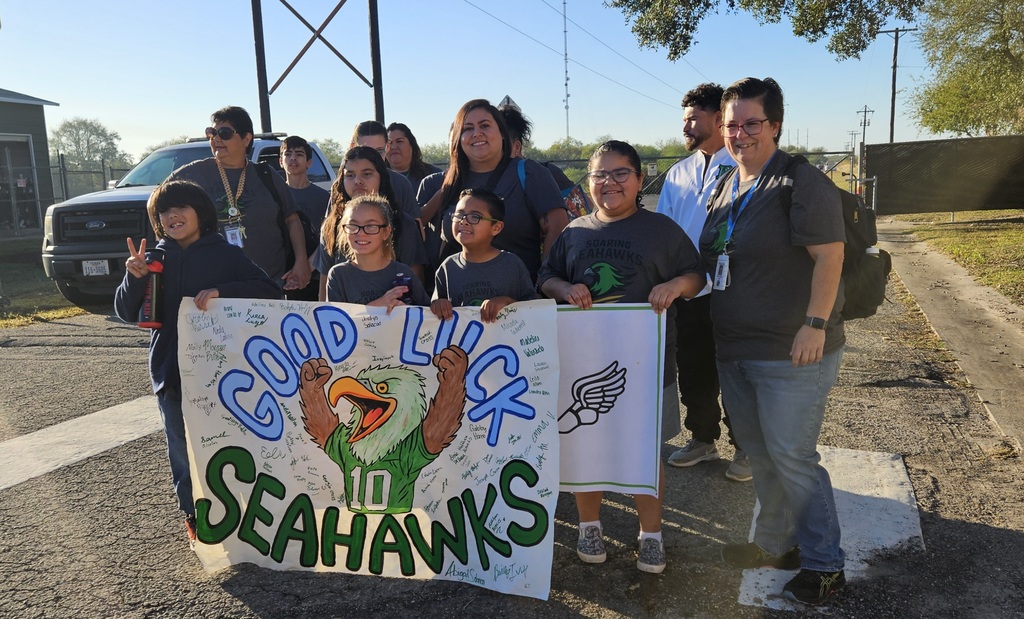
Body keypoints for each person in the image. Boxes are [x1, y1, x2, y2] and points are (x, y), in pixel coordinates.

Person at [701, 77, 846, 605]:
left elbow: (830, 257)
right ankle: (776, 545)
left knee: (793, 458)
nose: (740, 134)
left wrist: (815, 323)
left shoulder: (800, 181)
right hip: (735, 348)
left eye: (751, 123)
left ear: (776, 125)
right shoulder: (724, 184)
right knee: (761, 455)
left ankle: (826, 565)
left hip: (790, 351)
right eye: (732, 124)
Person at [538, 140, 705, 574]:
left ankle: (651, 533)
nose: (608, 183)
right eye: (599, 175)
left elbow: (696, 274)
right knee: (585, 445)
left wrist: (675, 287)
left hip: (648, 366)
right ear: (588, 181)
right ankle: (588, 525)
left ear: (638, 178)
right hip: (584, 363)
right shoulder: (574, 231)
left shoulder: (661, 230)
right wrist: (563, 289)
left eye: (619, 174)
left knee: (645, 451)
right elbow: (546, 277)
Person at [113, 180, 280, 542]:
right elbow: (126, 312)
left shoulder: (225, 254)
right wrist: (132, 277)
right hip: (170, 373)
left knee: (230, 445)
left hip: (223, 375)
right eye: (164, 212)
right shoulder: (153, 259)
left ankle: (242, 516)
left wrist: (224, 292)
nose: (173, 216)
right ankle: (195, 518)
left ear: (201, 214)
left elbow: (270, 291)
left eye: (181, 208)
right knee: (182, 451)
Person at [655, 83, 748, 481]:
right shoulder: (679, 172)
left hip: (735, 288)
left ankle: (746, 447)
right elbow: (663, 228)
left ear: (717, 118)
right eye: (685, 120)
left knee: (737, 369)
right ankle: (703, 438)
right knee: (693, 367)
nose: (687, 127)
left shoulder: (745, 165)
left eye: (694, 118)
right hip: (689, 289)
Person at [419, 99, 569, 283]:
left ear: (502, 133)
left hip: (519, 300)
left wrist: (544, 281)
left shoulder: (529, 173)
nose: (476, 133)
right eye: (467, 128)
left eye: (485, 125)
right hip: (459, 304)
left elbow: (557, 228)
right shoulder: (446, 181)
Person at [167, 106, 311, 292]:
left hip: (266, 285)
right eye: (211, 133)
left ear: (246, 138)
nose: (216, 139)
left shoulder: (266, 175)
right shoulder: (193, 174)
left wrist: (301, 262)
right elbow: (156, 204)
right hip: (210, 290)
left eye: (224, 133)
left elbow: (292, 219)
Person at [316, 147, 427, 300]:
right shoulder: (332, 225)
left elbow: (416, 281)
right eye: (350, 175)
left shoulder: (403, 223)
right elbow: (324, 284)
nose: (358, 181)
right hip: (347, 320)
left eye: (367, 174)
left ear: (381, 177)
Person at [430, 188, 538, 324]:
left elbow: (534, 309)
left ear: (496, 228)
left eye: (475, 217)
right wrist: (438, 305)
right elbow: (434, 309)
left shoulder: (512, 264)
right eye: (459, 215)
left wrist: (508, 302)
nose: (463, 221)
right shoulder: (447, 267)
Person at [325, 194, 429, 312]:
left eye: (371, 226)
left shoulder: (403, 272)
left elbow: (427, 316)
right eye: (353, 225)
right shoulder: (338, 275)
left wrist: (439, 304)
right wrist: (378, 306)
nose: (361, 233)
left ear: (386, 232)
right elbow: (335, 324)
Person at [281, 136, 330, 302]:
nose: (293, 158)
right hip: (283, 275)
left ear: (309, 163)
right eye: (288, 154)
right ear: (281, 161)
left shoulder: (324, 197)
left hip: (318, 274)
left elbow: (329, 237)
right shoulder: (273, 196)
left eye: (299, 154)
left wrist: (309, 267)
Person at [349, 120, 422, 222]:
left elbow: (417, 232)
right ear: (352, 147)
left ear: (387, 147)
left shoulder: (400, 183)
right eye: (365, 151)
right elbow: (328, 229)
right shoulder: (341, 185)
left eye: (379, 151)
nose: (373, 158)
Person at [386, 122, 442, 192]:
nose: (393, 147)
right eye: (389, 143)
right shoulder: (377, 176)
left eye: (399, 141)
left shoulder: (434, 176)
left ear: (412, 145)